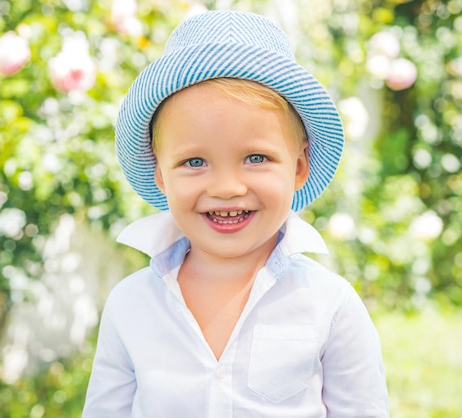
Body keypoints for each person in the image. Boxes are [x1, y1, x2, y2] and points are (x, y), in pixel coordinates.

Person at [83, 9, 389, 418]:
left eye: (256, 157)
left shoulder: (329, 305)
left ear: (299, 167)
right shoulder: (131, 304)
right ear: (160, 173)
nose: (227, 188)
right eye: (194, 162)